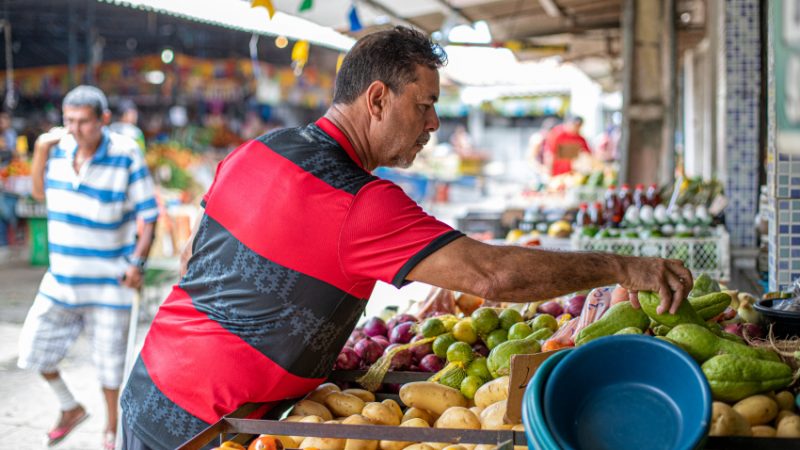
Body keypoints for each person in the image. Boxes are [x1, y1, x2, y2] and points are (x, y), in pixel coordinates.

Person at [120, 27, 692, 450]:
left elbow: (208, 258)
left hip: (152, 381)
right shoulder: (361, 202)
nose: (434, 124)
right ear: (376, 100)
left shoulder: (257, 149)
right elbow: (494, 276)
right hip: (203, 422)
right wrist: (622, 268)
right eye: (424, 106)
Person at [18, 85, 158, 449]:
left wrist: (138, 262)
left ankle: (111, 432)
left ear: (104, 121)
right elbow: (37, 193)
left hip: (111, 282)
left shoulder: (126, 154)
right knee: (33, 347)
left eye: (84, 122)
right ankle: (70, 407)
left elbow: (148, 215)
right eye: (69, 121)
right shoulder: (57, 150)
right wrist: (40, 149)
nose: (75, 129)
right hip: (62, 279)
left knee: (111, 365)